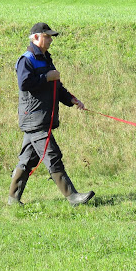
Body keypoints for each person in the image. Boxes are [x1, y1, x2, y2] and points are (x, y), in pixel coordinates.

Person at [8, 22, 95, 206]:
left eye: (51, 37)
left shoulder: (46, 59)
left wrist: (71, 99)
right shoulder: (27, 59)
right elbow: (24, 83)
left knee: (27, 160)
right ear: (36, 37)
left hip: (42, 117)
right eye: (47, 36)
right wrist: (47, 77)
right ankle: (72, 196)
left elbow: (56, 86)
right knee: (52, 155)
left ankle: (13, 200)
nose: (50, 40)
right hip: (34, 118)